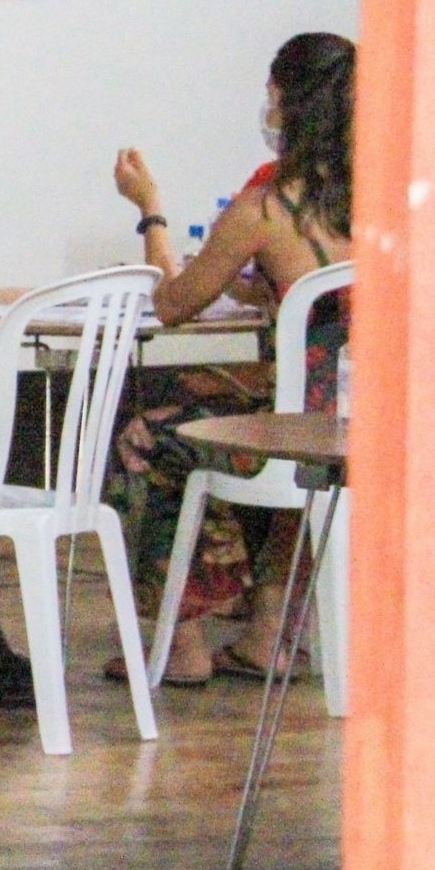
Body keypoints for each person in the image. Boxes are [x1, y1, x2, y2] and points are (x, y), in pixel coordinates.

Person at [107, 33, 355, 685]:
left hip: (298, 433)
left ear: (283, 102)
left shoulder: (266, 207)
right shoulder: (386, 200)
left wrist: (151, 212)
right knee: (236, 407)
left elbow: (173, 303)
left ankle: (182, 639)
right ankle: (270, 630)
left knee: (147, 437)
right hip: (369, 423)